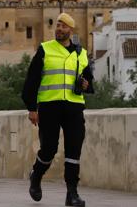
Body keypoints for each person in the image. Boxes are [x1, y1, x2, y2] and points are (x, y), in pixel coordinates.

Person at [21, 13, 94, 207]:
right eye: (58, 25)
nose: (59, 29)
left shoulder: (81, 53)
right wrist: (31, 108)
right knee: (49, 149)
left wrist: (86, 84)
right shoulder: (45, 50)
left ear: (71, 30)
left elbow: (89, 82)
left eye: (63, 26)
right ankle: (36, 176)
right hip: (49, 106)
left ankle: (72, 193)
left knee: (74, 149)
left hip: (74, 106)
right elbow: (32, 80)